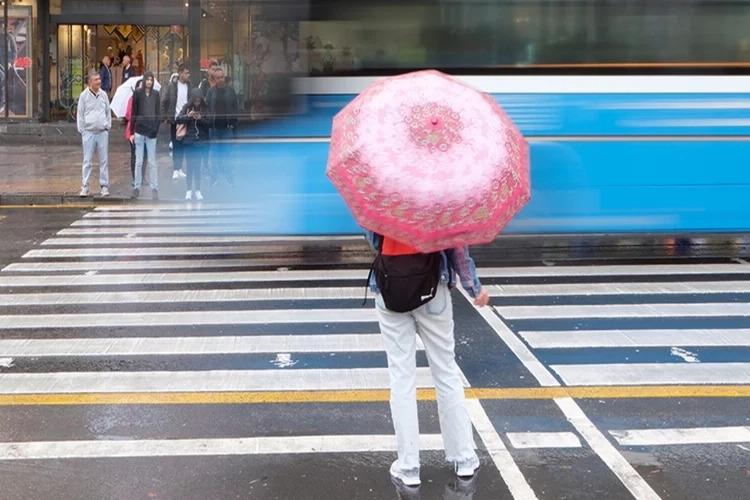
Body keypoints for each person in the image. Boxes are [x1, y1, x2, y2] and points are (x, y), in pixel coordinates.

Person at [365, 231, 490, 487]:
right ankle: (464, 459)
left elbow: (375, 241)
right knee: (446, 371)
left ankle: (408, 467)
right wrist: (473, 286)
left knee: (401, 376)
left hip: (391, 287)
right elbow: (457, 248)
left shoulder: (382, 194)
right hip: (434, 286)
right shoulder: (441, 194)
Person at [76, 71, 111, 197]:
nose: (99, 81)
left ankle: (104, 186)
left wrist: (107, 126)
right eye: (96, 79)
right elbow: (80, 113)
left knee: (104, 160)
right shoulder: (84, 96)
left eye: (99, 79)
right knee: (87, 160)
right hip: (88, 132)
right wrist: (82, 130)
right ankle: (85, 186)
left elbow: (108, 111)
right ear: (90, 82)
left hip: (102, 132)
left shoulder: (104, 95)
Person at [129, 71, 161, 200]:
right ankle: (136, 188)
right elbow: (134, 113)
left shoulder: (156, 94)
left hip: (151, 132)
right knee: (138, 161)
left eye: (151, 80)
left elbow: (158, 113)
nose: (149, 82)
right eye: (147, 79)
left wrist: (156, 128)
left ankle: (155, 188)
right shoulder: (137, 94)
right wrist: (131, 131)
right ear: (143, 80)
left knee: (152, 161)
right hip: (140, 131)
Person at [176, 88, 210, 201]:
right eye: (195, 101)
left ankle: (198, 190)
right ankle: (189, 191)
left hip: (200, 140)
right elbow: (178, 119)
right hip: (189, 141)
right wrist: (188, 116)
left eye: (198, 101)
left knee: (198, 167)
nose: (197, 103)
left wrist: (200, 119)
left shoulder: (205, 108)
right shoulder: (186, 107)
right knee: (190, 166)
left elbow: (209, 123)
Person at [206, 67, 238, 187]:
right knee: (214, 155)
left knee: (227, 155)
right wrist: (209, 120)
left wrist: (233, 124)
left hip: (227, 128)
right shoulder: (211, 92)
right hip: (214, 128)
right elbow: (207, 107)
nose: (221, 80)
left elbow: (235, 108)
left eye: (222, 77)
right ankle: (213, 178)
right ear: (214, 79)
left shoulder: (230, 91)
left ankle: (229, 177)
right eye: (218, 78)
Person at [161, 64, 190, 180]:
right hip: (175, 119)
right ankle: (175, 169)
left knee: (183, 145)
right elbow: (164, 101)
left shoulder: (189, 86)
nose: (188, 75)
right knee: (176, 144)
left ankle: (180, 168)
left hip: (186, 119)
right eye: (186, 73)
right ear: (180, 73)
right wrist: (164, 117)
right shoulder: (172, 86)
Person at [124, 78, 147, 187]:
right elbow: (128, 114)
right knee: (135, 155)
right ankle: (135, 178)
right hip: (134, 130)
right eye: (140, 86)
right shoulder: (132, 99)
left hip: (146, 130)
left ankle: (142, 177)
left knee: (145, 155)